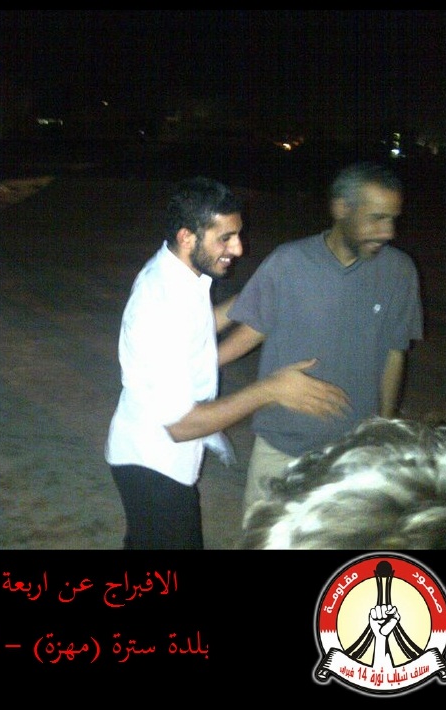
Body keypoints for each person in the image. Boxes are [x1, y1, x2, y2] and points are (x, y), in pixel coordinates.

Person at [105, 176, 350, 550]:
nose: (238, 247)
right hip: (152, 463)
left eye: (238, 234)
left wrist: (256, 299)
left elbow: (197, 327)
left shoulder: (180, 275)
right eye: (226, 238)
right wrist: (272, 390)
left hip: (158, 458)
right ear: (187, 237)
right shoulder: (161, 303)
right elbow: (183, 425)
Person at [218, 161, 424, 520]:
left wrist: (383, 430)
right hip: (281, 445)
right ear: (342, 208)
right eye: (377, 218)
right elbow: (250, 332)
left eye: (393, 219)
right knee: (265, 537)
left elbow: (395, 353)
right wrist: (192, 365)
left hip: (351, 453)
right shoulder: (288, 261)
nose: (388, 231)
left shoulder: (399, 271)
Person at [240, 391, 446, 550]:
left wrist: (382, 419)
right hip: (285, 440)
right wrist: (270, 390)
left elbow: (394, 355)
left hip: (352, 448)